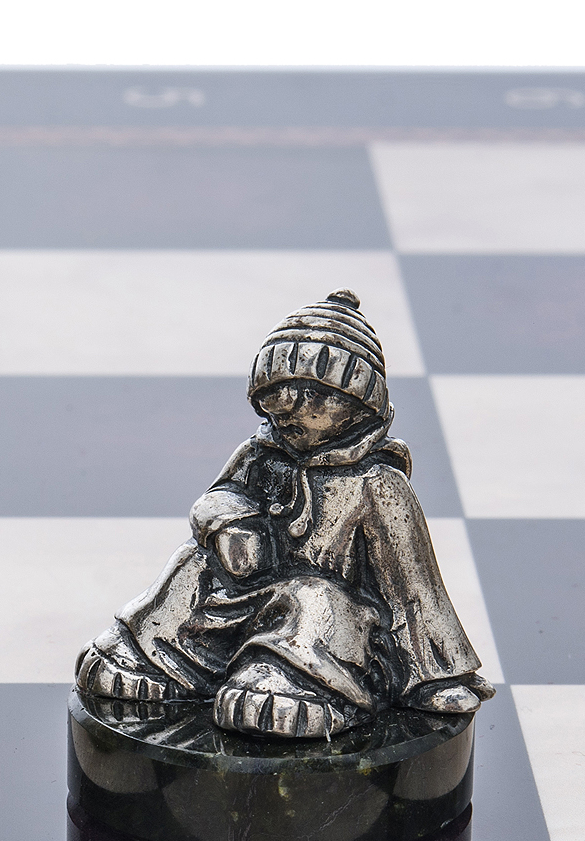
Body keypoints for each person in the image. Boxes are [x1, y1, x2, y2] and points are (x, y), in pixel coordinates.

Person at [76, 290, 494, 738]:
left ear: (356, 403)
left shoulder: (378, 484)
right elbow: (218, 496)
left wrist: (436, 677)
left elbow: (413, 588)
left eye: (308, 395)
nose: (284, 409)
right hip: (245, 597)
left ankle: (294, 684)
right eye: (274, 395)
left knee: (314, 600)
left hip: (328, 623)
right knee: (190, 566)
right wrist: (228, 522)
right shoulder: (260, 454)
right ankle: (152, 658)